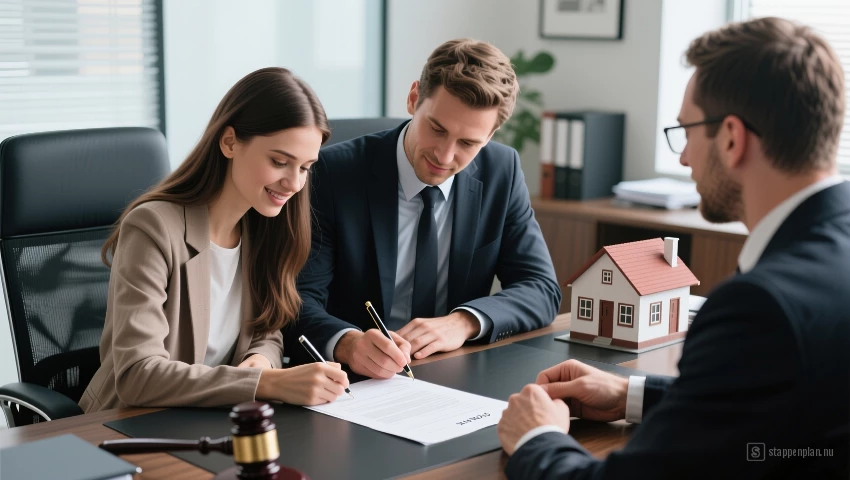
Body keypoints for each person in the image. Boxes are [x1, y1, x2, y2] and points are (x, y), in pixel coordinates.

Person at [498, 17, 849, 478]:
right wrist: (632, 395)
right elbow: (780, 406)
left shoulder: (759, 307)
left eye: (685, 131)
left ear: (730, 138)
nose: (683, 158)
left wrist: (535, 436)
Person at [285, 39, 561, 378]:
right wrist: (348, 343)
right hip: (353, 380)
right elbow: (296, 301)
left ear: (491, 135)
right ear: (414, 98)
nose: (444, 156)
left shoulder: (501, 171)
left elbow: (541, 288)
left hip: (453, 371)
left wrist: (463, 323)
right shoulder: (331, 173)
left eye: (467, 143)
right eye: (437, 129)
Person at [80, 67, 350, 411]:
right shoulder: (153, 228)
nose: (294, 183)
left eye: (305, 167)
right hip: (131, 425)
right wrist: (263, 382)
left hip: (214, 422)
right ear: (229, 142)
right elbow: (137, 374)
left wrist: (260, 362)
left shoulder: (265, 230)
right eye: (280, 161)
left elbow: (268, 332)